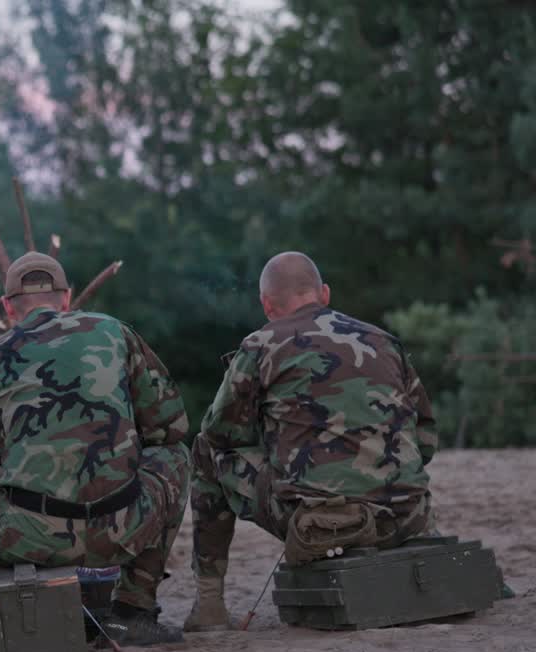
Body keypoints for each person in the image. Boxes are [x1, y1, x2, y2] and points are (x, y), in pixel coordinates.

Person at [0, 251, 191, 646]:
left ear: (7, 307)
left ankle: (17, 612)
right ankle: (133, 612)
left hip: (26, 538)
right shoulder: (114, 333)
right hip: (122, 525)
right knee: (176, 457)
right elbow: (172, 426)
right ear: (67, 297)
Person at [186, 251, 437, 631]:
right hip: (405, 518)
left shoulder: (260, 345)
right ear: (325, 292)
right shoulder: (384, 340)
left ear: (267, 304)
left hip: (320, 525)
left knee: (204, 451)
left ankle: (209, 606)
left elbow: (220, 433)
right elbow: (427, 441)